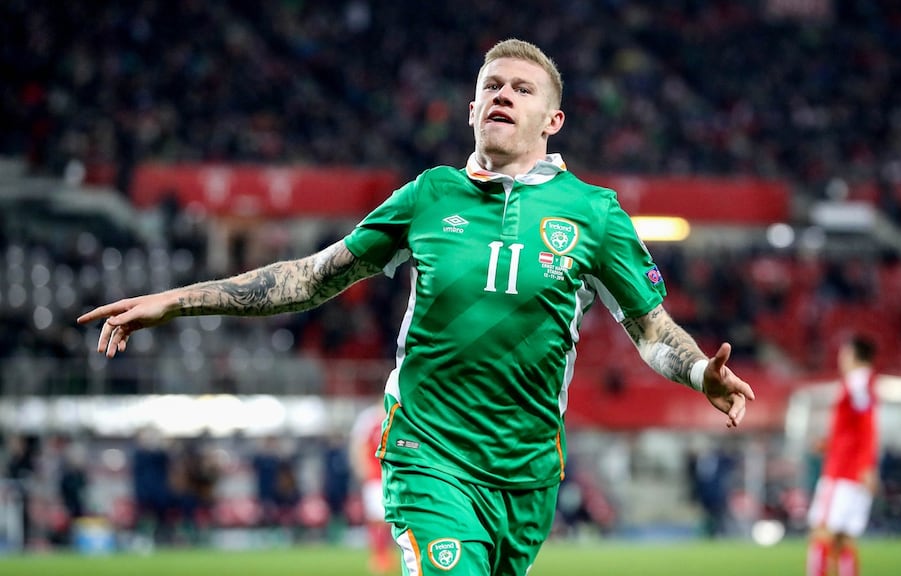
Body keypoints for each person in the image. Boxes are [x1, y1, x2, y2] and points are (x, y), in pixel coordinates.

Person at [77, 38, 755, 575]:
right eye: (491, 86)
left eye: (522, 89)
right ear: (470, 109)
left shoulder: (594, 214)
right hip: (427, 453)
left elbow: (651, 328)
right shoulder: (429, 196)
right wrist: (176, 302)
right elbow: (311, 278)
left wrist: (700, 374)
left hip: (527, 474)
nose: (502, 96)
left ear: (553, 120)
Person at [806, 334, 879, 576]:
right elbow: (856, 429)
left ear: (852, 355)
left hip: (842, 471)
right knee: (843, 538)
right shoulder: (865, 383)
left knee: (822, 531)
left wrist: (867, 465)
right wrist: (830, 444)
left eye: (843, 353)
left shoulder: (857, 382)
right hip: (852, 468)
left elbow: (868, 425)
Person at [350, 403, 396, 574]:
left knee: (390, 519)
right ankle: (380, 556)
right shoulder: (369, 419)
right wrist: (363, 468)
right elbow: (359, 444)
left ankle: (385, 554)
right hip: (375, 478)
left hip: (393, 477)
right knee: (378, 518)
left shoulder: (396, 416)